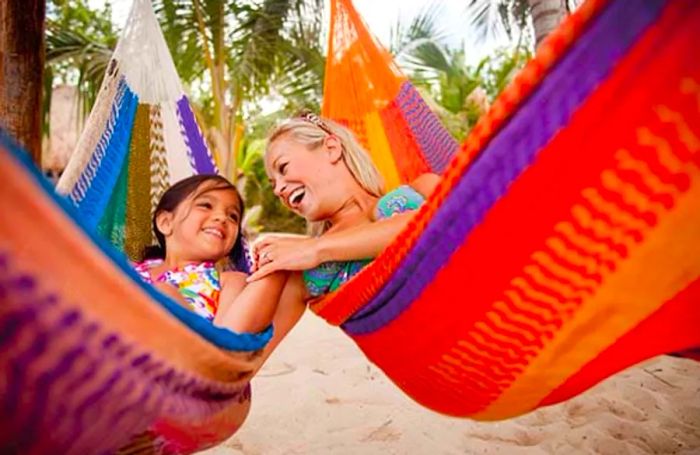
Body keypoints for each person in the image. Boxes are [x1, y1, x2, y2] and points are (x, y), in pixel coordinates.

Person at [247, 112, 440, 360]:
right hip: (442, 371)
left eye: (283, 168)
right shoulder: (310, 272)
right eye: (273, 184)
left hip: (493, 320)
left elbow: (440, 221)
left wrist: (316, 248)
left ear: (331, 148)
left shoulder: (422, 188)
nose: (279, 190)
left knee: (390, 207)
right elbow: (249, 355)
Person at [134, 174, 287, 333]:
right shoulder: (129, 269)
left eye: (233, 216)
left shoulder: (230, 281)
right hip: (114, 340)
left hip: (174, 350)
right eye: (206, 205)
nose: (222, 218)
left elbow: (224, 342)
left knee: (164, 293)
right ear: (166, 223)